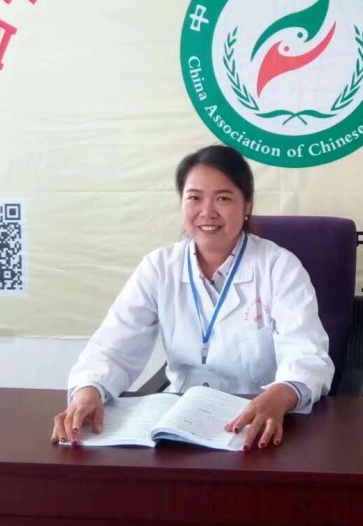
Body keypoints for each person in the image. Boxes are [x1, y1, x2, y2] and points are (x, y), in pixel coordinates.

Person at [51, 144, 334, 450]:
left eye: (223, 198)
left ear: (247, 205)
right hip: (179, 422)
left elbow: (306, 352)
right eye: (194, 198)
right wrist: (88, 390)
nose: (207, 212)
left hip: (255, 422)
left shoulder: (279, 267)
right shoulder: (159, 267)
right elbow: (113, 346)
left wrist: (282, 393)